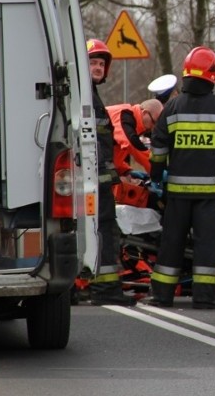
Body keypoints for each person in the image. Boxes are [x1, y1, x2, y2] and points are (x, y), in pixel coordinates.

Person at [147, 46, 215, 309]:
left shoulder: (172, 108)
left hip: (177, 193)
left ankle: (162, 296)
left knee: (171, 243)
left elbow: (158, 150)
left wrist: (156, 179)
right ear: (212, 74)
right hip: (210, 195)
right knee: (206, 245)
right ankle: (203, 297)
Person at [86, 39, 137, 306]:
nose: (97, 67)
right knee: (105, 230)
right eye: (93, 62)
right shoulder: (87, 97)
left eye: (101, 64)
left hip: (98, 180)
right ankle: (106, 290)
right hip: (95, 182)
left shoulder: (90, 95)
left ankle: (90, 286)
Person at [107, 98, 163, 177]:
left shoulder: (131, 125)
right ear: (145, 113)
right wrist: (156, 171)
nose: (153, 128)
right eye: (154, 122)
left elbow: (114, 155)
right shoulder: (124, 114)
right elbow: (132, 144)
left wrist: (126, 170)